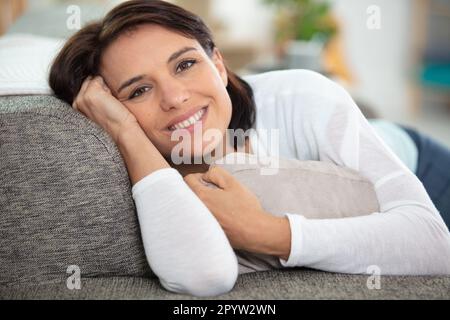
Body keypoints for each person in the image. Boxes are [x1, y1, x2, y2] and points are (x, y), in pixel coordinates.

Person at [49, 0, 450, 297]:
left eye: (185, 64)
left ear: (219, 66)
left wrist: (267, 232)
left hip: (423, 163)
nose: (174, 98)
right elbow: (203, 274)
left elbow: (434, 242)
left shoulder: (304, 94)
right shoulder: (140, 156)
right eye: (139, 90)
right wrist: (126, 134)